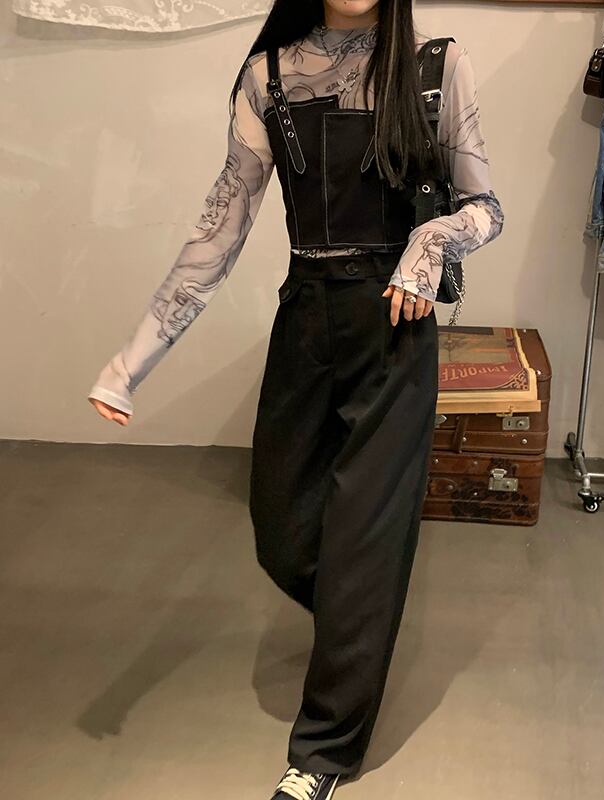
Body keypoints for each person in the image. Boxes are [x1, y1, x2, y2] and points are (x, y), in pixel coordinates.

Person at [87, 1, 504, 797]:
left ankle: (320, 755)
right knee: (280, 528)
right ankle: (359, 620)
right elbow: (221, 226)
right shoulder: (268, 75)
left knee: (365, 544)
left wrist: (430, 241)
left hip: (394, 330)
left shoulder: (434, 66)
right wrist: (131, 362)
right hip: (307, 319)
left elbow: (485, 207)